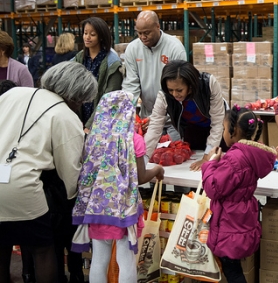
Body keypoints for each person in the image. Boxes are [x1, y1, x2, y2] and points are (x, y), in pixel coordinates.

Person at [0, 62, 97, 283]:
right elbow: (71, 173)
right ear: (76, 96)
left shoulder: (14, 93)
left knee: (2, 248)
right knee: (42, 249)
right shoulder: (65, 115)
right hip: (22, 187)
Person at [71, 90, 164, 283]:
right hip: (123, 209)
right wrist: (157, 170)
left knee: (99, 259)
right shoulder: (133, 140)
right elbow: (140, 177)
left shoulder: (93, 139)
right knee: (126, 260)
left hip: (96, 209)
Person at [201, 106, 276, 283]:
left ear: (233, 133)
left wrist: (210, 164)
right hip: (241, 218)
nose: (224, 133)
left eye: (225, 129)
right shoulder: (250, 155)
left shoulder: (234, 158)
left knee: (232, 271)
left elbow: (213, 188)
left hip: (229, 222)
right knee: (232, 267)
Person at [144, 60, 226, 170]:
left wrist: (207, 157)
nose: (174, 94)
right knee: (191, 168)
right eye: (170, 90)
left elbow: (217, 123)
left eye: (179, 90)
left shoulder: (209, 84)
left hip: (220, 132)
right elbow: (154, 127)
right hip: (193, 131)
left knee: (216, 167)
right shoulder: (164, 95)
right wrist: (143, 159)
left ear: (190, 86)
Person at [122, 10, 186, 134]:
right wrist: (131, 113)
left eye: (146, 33)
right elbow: (131, 84)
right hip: (146, 119)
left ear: (158, 26)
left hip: (172, 119)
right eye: (139, 33)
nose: (142, 37)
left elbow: (178, 88)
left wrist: (159, 116)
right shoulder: (132, 49)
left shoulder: (175, 48)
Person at [74, 17, 123, 132]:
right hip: (80, 117)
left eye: (92, 34)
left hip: (102, 120)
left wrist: (90, 125)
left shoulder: (112, 62)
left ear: (101, 36)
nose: (87, 37)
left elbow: (109, 98)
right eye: (85, 33)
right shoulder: (80, 58)